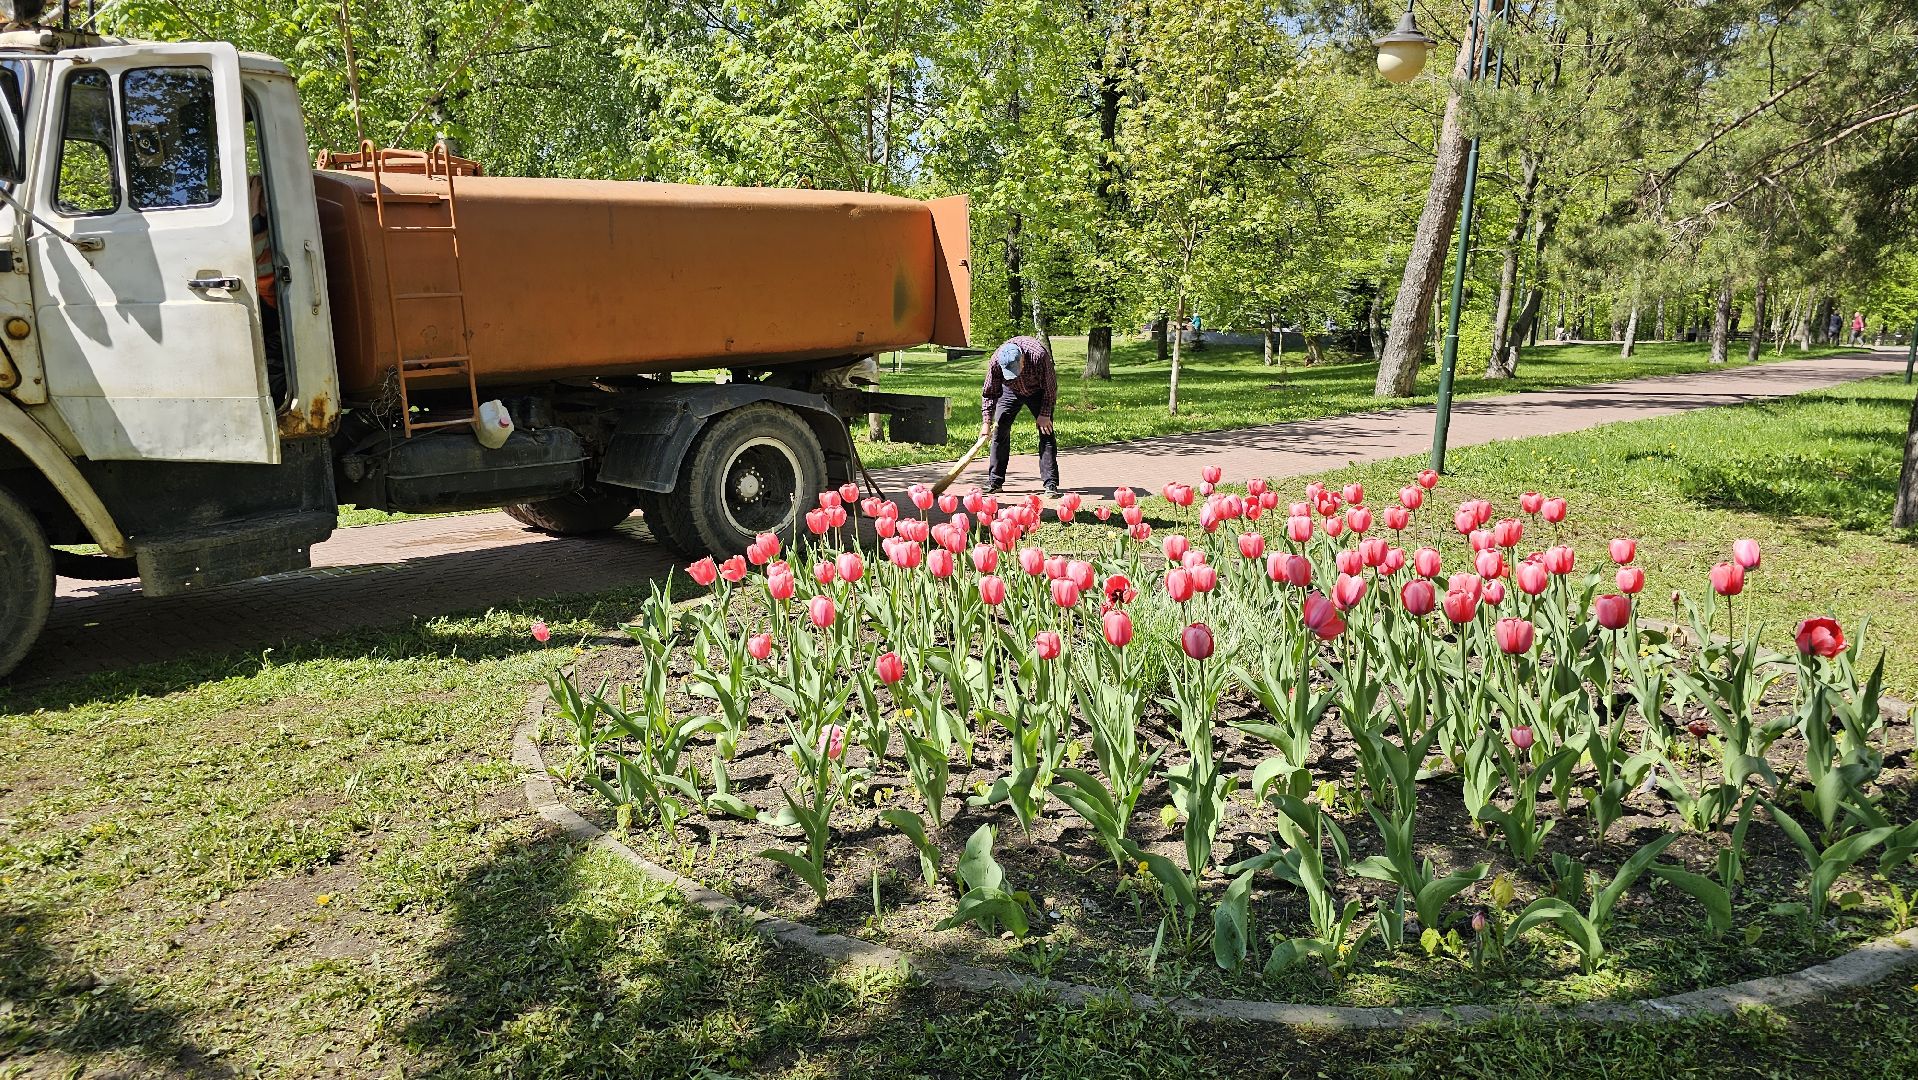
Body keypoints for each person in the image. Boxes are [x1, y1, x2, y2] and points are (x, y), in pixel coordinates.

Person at [979, 336, 1060, 498]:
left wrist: (1044, 414)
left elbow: (1050, 387)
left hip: (1038, 391)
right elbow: (989, 392)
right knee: (999, 431)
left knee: (1046, 432)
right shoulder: (996, 359)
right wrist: (986, 422)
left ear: (1023, 359)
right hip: (1009, 391)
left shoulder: (1038, 355)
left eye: (1016, 370)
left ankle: (1050, 484)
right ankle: (995, 482)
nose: (1014, 375)